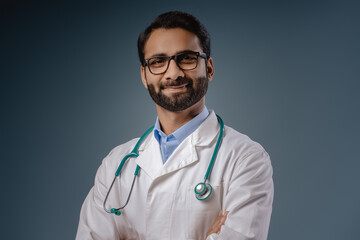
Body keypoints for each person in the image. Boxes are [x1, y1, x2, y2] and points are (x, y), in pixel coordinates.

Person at [76, 11, 273, 240]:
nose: (173, 73)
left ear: (208, 67)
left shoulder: (246, 158)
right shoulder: (115, 165)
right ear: (144, 75)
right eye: (158, 62)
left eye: (187, 58)